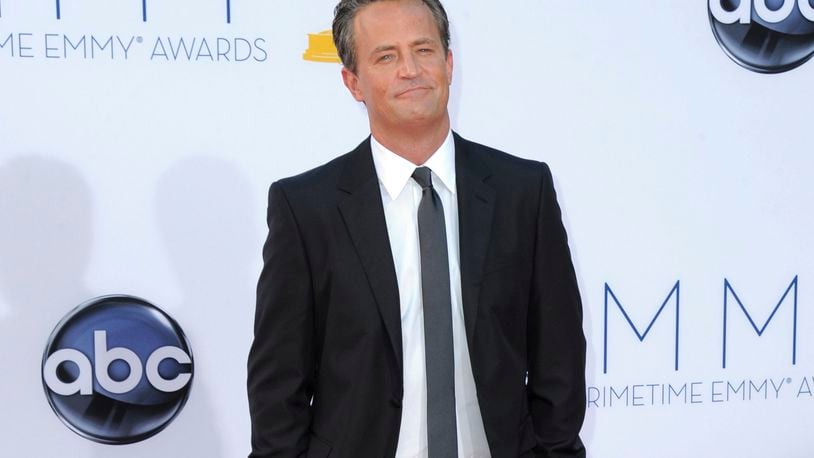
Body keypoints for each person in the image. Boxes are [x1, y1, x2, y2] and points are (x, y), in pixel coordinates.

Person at [247, 1, 586, 457]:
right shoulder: (306, 208)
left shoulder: (523, 191)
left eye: (423, 50)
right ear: (353, 83)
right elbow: (278, 386)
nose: (410, 69)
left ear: (448, 63)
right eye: (385, 56)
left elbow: (559, 359)